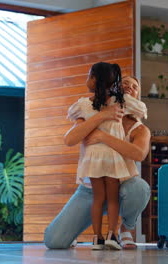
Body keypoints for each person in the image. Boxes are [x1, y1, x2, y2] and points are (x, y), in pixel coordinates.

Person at [44, 75, 151, 250]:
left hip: (123, 186)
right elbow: (70, 138)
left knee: (139, 188)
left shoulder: (139, 129)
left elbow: (139, 154)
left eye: (134, 86)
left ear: (137, 96)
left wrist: (102, 136)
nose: (129, 87)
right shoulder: (90, 113)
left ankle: (125, 229)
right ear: (114, 87)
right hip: (90, 191)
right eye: (125, 83)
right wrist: (102, 116)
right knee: (54, 241)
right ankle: (75, 231)